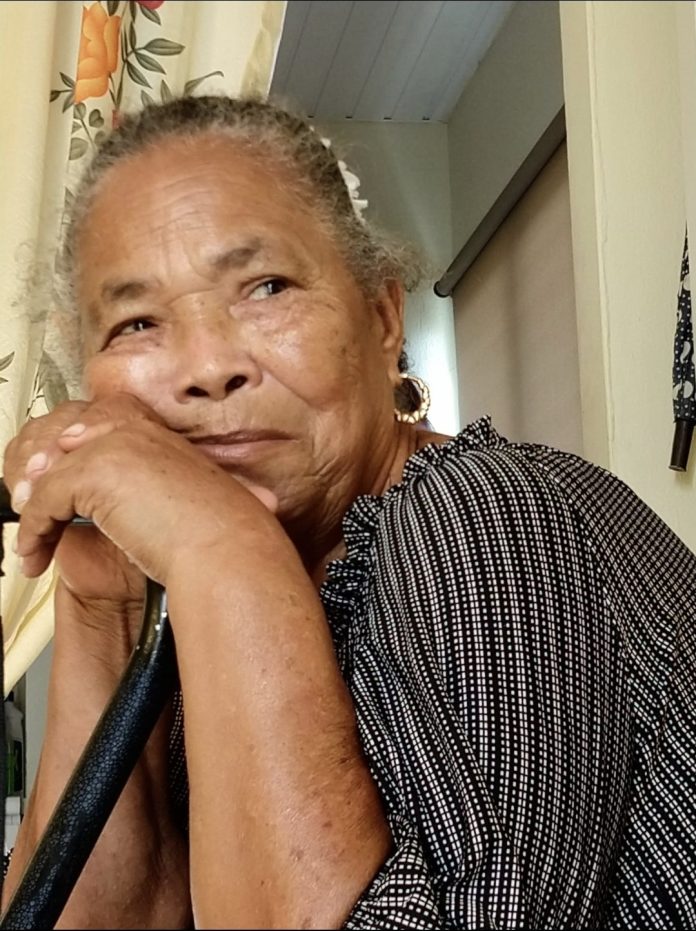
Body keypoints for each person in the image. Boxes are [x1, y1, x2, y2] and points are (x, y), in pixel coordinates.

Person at [2, 94, 695, 930]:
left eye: (266, 287)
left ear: (381, 318)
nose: (207, 367)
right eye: (136, 322)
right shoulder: (205, 612)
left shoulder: (485, 513)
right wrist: (105, 608)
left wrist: (226, 547)